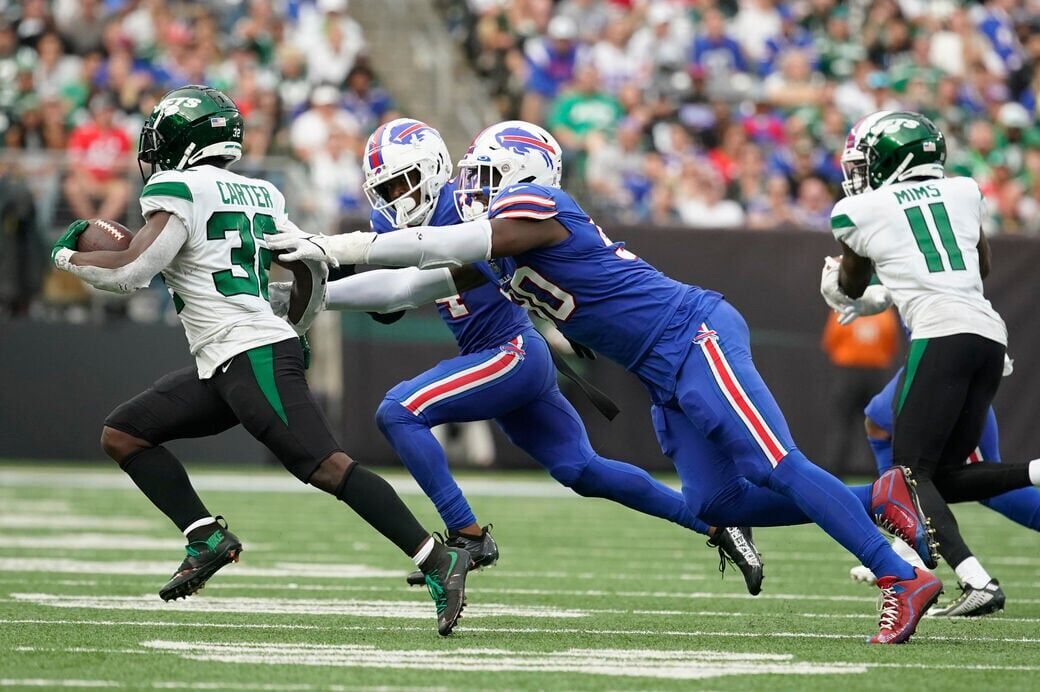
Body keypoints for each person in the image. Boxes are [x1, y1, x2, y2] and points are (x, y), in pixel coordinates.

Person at [270, 120, 948, 645]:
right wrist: (322, 287)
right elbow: (408, 280)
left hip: (694, 335)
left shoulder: (539, 208)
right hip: (662, 370)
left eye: (486, 175)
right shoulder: (503, 245)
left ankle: (900, 576)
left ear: (524, 174)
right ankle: (879, 497)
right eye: (471, 175)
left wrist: (341, 245)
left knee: (775, 463)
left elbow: (437, 247)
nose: (472, 189)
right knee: (720, 503)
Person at [273, 119, 766, 594]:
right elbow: (397, 292)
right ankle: (715, 522)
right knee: (583, 470)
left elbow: (407, 280)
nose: (398, 198)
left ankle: (467, 537)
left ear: (435, 168)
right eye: (387, 189)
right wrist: (313, 293)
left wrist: (332, 264)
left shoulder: (470, 205)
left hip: (509, 352)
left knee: (400, 411)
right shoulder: (407, 219)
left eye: (405, 181)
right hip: (498, 357)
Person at [49, 85, 469, 637]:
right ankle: (205, 536)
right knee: (125, 433)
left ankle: (437, 559)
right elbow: (310, 268)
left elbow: (130, 271)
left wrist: (65, 255)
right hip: (229, 359)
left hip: (247, 352)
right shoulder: (262, 193)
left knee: (326, 468)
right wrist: (293, 329)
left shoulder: (177, 186)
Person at [821, 110, 1040, 617]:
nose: (859, 173)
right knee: (939, 475)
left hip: (939, 335)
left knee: (907, 474)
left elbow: (852, 285)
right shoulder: (963, 191)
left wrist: (841, 288)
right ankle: (1031, 473)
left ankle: (973, 579)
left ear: (891, 161)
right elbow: (978, 266)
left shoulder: (861, 210)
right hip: (988, 334)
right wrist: (891, 289)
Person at [848, 363, 1040, 615]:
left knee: (983, 486)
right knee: (904, 463)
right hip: (932, 361)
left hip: (946, 363)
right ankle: (906, 552)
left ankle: (914, 558)